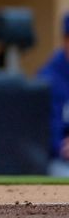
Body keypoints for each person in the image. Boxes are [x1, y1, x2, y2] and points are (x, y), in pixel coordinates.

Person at [37, 14, 69, 177]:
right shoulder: (48, 78)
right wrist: (59, 146)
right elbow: (44, 129)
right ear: (65, 40)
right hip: (59, 161)